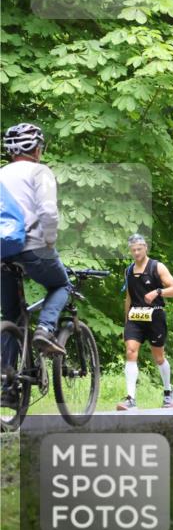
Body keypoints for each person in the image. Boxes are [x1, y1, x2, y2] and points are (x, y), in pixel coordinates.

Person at [1, 123, 72, 408]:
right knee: (61, 284)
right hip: (33, 246)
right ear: (37, 149)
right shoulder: (39, 172)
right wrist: (50, 241)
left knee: (12, 315)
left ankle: (7, 385)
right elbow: (47, 211)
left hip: (2, 251)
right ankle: (44, 329)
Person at [118, 234, 173, 410]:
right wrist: (126, 321)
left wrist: (158, 292)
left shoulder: (157, 267)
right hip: (135, 318)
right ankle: (130, 398)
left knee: (158, 357)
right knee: (131, 352)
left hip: (155, 316)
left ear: (146, 247)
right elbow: (129, 297)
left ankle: (168, 392)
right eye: (133, 250)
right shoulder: (129, 270)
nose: (136, 252)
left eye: (139, 249)